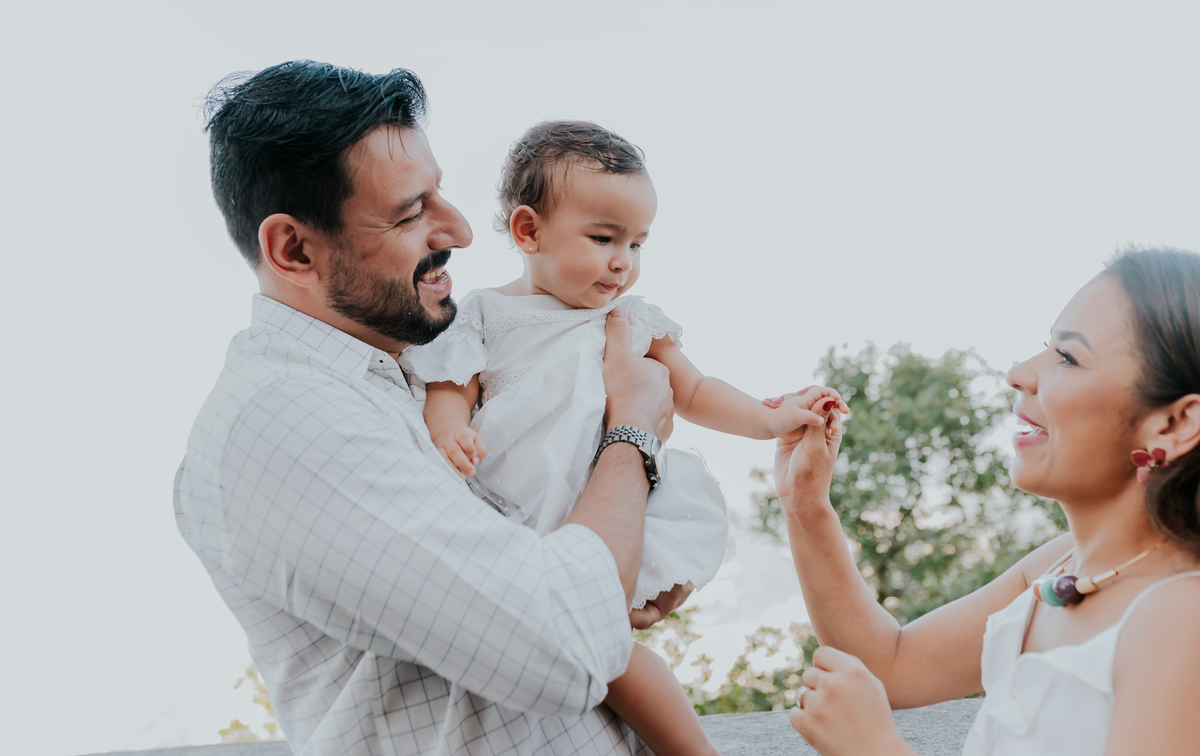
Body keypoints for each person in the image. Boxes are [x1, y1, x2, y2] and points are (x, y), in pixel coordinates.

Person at [174, 61, 698, 756]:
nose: (460, 231)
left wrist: (626, 560)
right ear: (293, 248)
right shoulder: (286, 418)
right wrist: (631, 436)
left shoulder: (400, 380)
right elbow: (566, 645)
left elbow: (565, 594)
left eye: (440, 193)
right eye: (410, 212)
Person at [403, 121, 846, 756]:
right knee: (592, 650)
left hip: (606, 503)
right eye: (604, 238)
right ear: (528, 232)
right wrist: (448, 431)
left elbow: (693, 392)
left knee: (617, 652)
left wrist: (770, 417)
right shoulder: (484, 313)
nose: (623, 262)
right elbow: (453, 387)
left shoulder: (629, 318)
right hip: (517, 513)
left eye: (637, 244)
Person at [769, 248, 1200, 755]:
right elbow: (889, 665)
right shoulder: (1061, 563)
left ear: (1174, 425)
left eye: (1068, 356)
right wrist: (805, 503)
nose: (1018, 371)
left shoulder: (1182, 617)